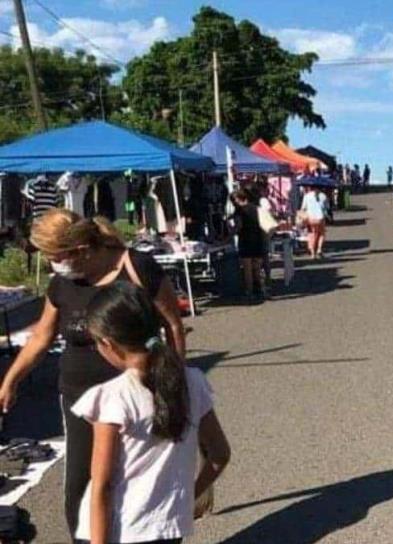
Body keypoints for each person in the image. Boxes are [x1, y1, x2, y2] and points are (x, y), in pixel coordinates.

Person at [0, 209, 185, 540]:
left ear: (80, 250)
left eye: (54, 256)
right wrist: (10, 380)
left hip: (137, 397)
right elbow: (43, 335)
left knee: (136, 480)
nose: (51, 263)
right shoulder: (63, 283)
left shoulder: (136, 267)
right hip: (80, 399)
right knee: (82, 486)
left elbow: (172, 325)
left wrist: (175, 383)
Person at [75, 282, 230, 544]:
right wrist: (187, 498)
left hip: (119, 528)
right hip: (168, 525)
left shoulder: (112, 397)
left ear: (107, 344)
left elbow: (102, 485)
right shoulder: (193, 381)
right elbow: (220, 454)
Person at [230, 190, 265, 302]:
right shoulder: (256, 208)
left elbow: (239, 227)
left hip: (245, 239)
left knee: (247, 268)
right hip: (257, 238)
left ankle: (249, 292)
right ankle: (259, 289)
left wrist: (231, 232)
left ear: (237, 199)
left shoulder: (239, 211)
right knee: (257, 267)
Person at [300, 186, 328, 259]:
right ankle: (319, 249)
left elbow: (303, 208)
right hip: (320, 218)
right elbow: (326, 207)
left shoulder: (307, 196)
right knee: (321, 234)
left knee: (311, 234)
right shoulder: (323, 196)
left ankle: (312, 253)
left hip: (311, 218)